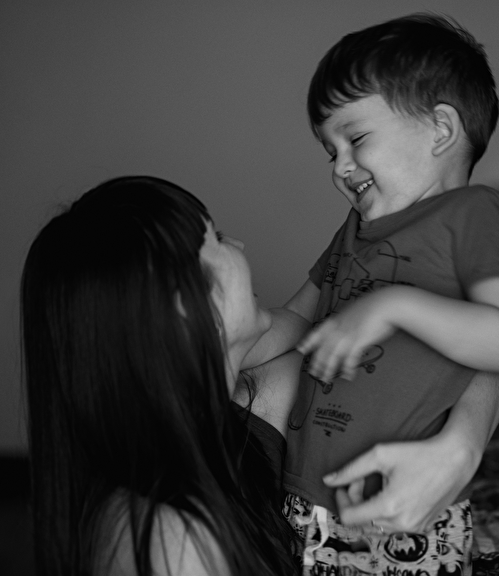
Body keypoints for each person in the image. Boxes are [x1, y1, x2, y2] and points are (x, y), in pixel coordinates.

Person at [277, 14, 499, 574]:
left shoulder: (474, 214)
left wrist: (392, 304)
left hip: (405, 513)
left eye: (355, 138)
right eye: (330, 151)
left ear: (440, 129)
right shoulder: (354, 230)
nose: (340, 167)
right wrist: (217, 346)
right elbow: (297, 320)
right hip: (304, 499)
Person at [20, 176, 305, 576]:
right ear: (184, 306)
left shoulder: (230, 424)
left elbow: (315, 318)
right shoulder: (171, 539)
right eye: (217, 238)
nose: (239, 245)